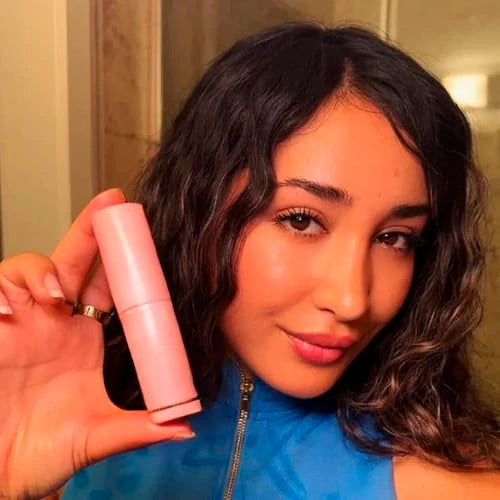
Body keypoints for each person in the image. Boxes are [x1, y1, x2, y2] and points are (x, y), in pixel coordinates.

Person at [0, 22, 499, 500]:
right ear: (199, 205)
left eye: (395, 238)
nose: (352, 300)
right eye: (301, 220)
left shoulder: (460, 484)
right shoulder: (85, 413)